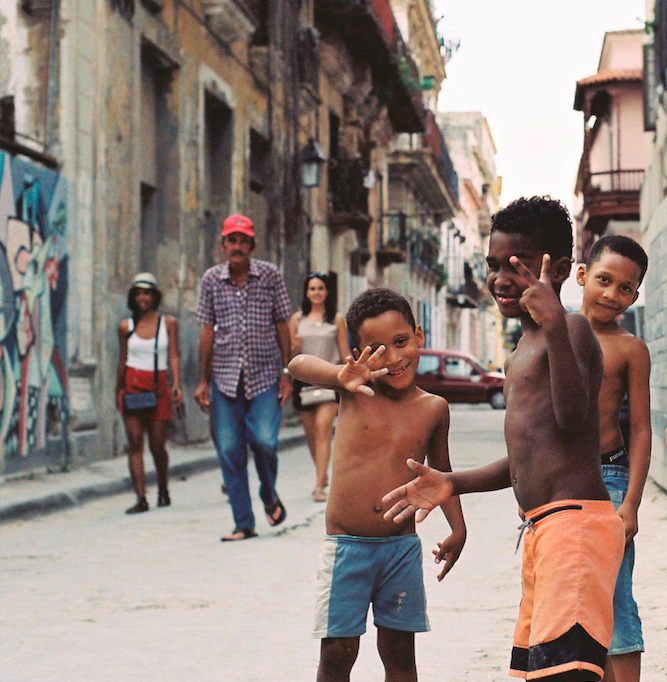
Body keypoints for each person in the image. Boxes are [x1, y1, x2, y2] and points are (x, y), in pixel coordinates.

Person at [382, 196, 625, 682]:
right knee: (538, 671)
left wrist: (556, 320)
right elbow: (523, 458)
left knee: (566, 673)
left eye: (515, 266)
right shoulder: (521, 350)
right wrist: (452, 482)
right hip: (542, 530)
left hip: (574, 529)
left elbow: (577, 419)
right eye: (493, 266)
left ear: (556, 268)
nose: (499, 279)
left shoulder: (572, 330)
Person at [288, 288, 467, 682]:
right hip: (347, 548)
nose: (393, 357)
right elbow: (297, 364)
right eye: (376, 349)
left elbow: (442, 474)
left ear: (419, 336)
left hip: (400, 549)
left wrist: (459, 528)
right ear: (358, 353)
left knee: (400, 655)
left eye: (401, 342)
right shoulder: (355, 392)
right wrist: (339, 374)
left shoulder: (434, 408)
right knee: (337, 653)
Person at [576, 235, 651, 682]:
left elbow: (640, 428)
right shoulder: (555, 334)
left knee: (616, 596)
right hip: (561, 483)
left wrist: (631, 503)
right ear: (582, 276)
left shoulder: (629, 348)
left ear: (635, 296)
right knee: (573, 599)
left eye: (625, 288)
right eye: (604, 279)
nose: (612, 293)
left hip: (610, 479)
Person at [193, 214, 293, 542]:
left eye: (243, 241)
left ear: (251, 245)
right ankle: (243, 522)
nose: (237, 246)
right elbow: (207, 330)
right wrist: (203, 380)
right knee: (230, 448)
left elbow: (282, 323)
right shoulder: (210, 280)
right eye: (231, 240)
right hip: (223, 377)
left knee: (264, 440)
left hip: (265, 374)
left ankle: (268, 494)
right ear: (222, 245)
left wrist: (287, 372)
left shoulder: (270, 276)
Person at [117, 273, 182, 514]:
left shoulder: (168, 323)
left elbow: (174, 354)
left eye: (147, 293)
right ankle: (141, 497)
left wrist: (177, 384)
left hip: (159, 387)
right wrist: (118, 389)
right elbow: (122, 359)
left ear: (155, 297)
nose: (142, 298)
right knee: (135, 443)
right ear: (132, 298)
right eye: (138, 294)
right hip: (132, 387)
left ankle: (163, 487)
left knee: (157, 445)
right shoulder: (126, 326)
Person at [288, 272, 349, 502]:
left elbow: (343, 353)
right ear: (306, 292)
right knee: (311, 433)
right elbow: (291, 357)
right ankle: (321, 475)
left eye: (320, 288)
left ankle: (319, 487)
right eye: (312, 288)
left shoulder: (337, 320)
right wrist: (293, 347)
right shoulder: (297, 320)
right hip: (303, 382)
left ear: (327, 292)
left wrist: (348, 376)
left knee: (323, 429)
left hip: (329, 379)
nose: (316, 292)